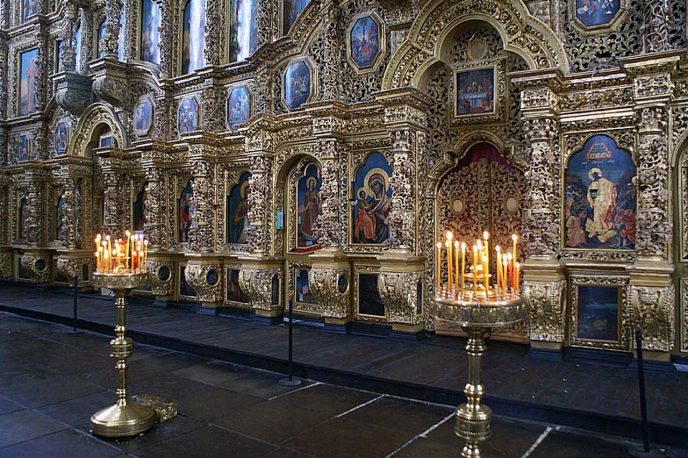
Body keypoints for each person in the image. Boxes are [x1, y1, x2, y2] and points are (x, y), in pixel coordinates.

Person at [585, 168, 617, 243]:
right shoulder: (593, 184)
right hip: (598, 203)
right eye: (593, 175)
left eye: (595, 174)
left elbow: (612, 189)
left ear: (598, 174)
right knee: (598, 217)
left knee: (604, 216)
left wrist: (610, 200)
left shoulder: (605, 182)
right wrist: (592, 203)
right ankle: (600, 232)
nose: (594, 176)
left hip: (605, 202)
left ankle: (605, 231)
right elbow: (592, 195)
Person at [298, 176, 319, 245]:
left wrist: (315, 199)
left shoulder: (315, 192)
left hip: (314, 210)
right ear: (309, 184)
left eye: (313, 184)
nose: (312, 185)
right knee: (307, 223)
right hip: (308, 210)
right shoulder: (307, 193)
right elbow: (305, 202)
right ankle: (308, 238)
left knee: (315, 221)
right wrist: (308, 204)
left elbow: (318, 201)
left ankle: (315, 237)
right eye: (311, 183)